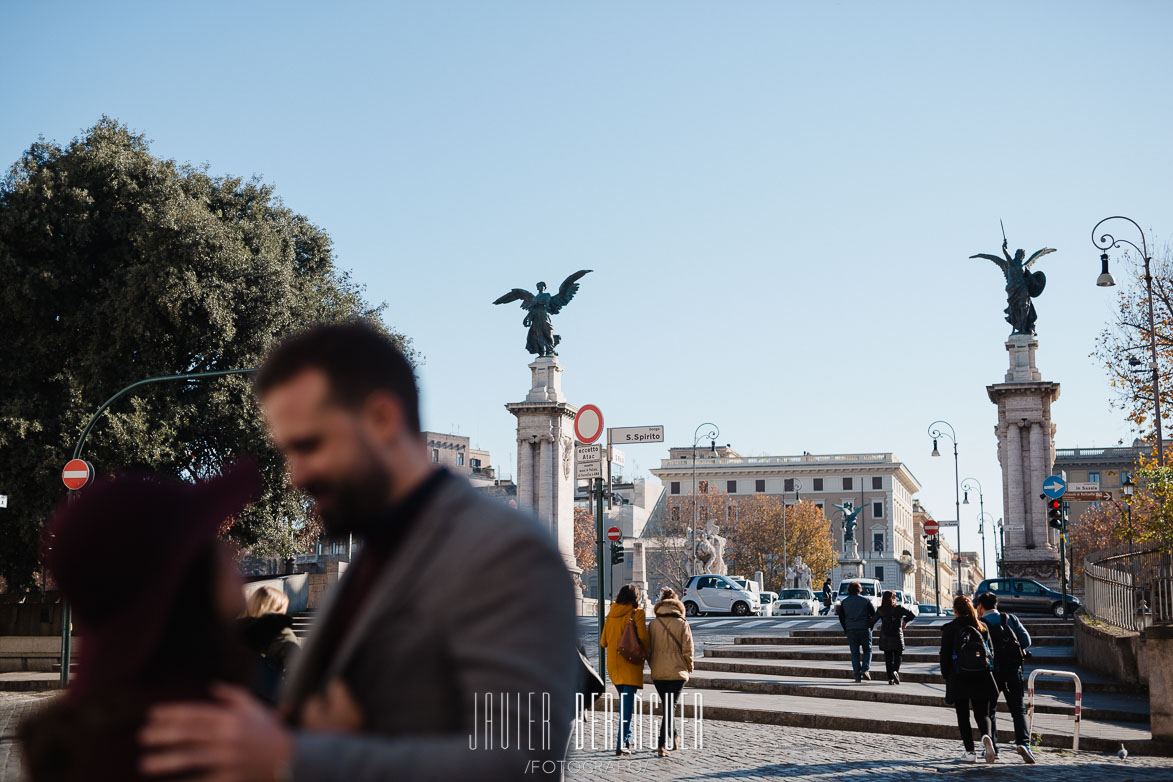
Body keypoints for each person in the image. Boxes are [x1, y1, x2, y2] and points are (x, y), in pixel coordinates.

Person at [137, 321, 579, 781]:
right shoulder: (380, 554)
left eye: (309, 445)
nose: (296, 475)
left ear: (382, 420)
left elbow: (524, 761)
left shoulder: (506, 554)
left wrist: (290, 755)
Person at [19, 465, 261, 782]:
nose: (230, 549)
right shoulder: (195, 740)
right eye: (207, 536)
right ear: (185, 575)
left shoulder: (106, 719)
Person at [976, 591, 1035, 764]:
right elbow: (1026, 641)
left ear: (981, 606)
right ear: (996, 604)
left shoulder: (981, 624)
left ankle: (993, 746)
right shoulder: (1010, 618)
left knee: (990, 710)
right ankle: (1023, 743)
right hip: (1013, 671)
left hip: (992, 674)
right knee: (1018, 709)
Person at [939, 594, 999, 764]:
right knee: (983, 714)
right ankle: (987, 737)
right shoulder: (982, 627)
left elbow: (944, 655)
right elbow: (991, 653)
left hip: (959, 676)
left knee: (963, 715)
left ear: (955, 610)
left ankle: (970, 752)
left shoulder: (950, 628)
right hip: (982, 675)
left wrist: (946, 674)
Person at [601, 584, 650, 756]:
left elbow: (603, 642)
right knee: (626, 707)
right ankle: (620, 743)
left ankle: (627, 737)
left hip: (613, 666)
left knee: (625, 701)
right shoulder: (637, 613)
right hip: (630, 663)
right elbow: (643, 637)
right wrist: (648, 652)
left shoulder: (611, 614)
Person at [646, 587, 694, 758]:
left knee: (668, 707)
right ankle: (661, 744)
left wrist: (653, 665)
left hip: (658, 673)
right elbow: (688, 649)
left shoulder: (653, 624)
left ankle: (674, 737)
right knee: (669, 708)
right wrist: (689, 667)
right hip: (677, 672)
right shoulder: (682, 624)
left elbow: (648, 650)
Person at [238, 585, 301, 702]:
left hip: (237, 702)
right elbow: (300, 670)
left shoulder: (233, 630)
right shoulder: (279, 632)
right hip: (268, 704)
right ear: (278, 608)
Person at [836, 581, 876, 682]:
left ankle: (857, 675)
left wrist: (846, 628)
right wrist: (870, 625)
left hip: (851, 629)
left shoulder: (844, 602)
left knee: (854, 653)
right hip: (864, 628)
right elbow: (874, 614)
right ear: (859, 589)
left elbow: (841, 617)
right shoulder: (866, 600)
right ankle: (865, 669)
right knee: (867, 650)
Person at [873, 590, 915, 684]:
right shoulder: (899, 608)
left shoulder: (881, 610)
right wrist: (905, 621)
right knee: (897, 656)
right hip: (896, 635)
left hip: (885, 637)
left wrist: (870, 628)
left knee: (888, 658)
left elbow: (872, 621)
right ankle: (895, 671)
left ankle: (890, 678)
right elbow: (912, 614)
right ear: (893, 599)